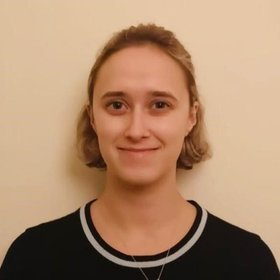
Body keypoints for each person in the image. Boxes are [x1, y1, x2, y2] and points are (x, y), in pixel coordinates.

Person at [0, 23, 279, 280]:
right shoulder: (32, 259)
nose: (136, 130)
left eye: (159, 105)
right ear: (93, 118)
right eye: (117, 105)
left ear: (191, 117)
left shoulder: (248, 262)